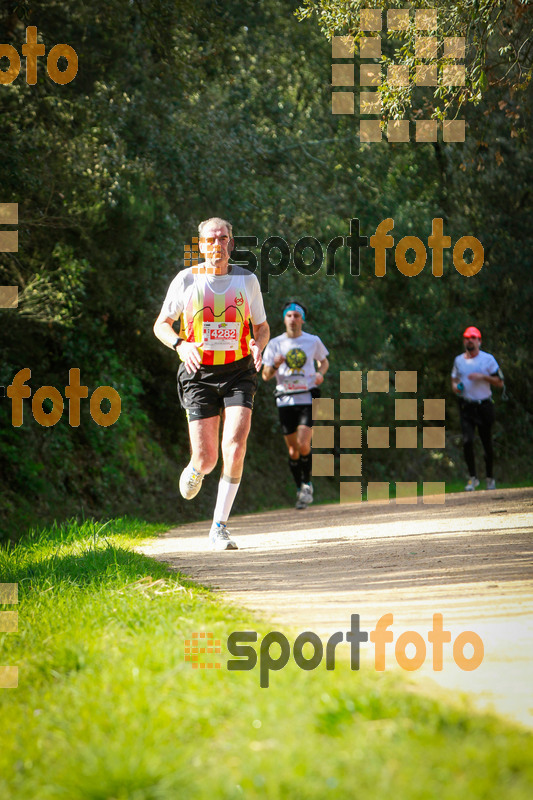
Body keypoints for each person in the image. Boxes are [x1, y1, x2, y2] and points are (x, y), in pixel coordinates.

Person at [153, 217, 270, 550]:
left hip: (238, 371)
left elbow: (262, 327)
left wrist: (258, 344)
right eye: (210, 239)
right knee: (207, 460)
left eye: (223, 238)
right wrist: (180, 343)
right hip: (198, 373)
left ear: (231, 244)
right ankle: (195, 467)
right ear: (200, 245)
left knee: (234, 443)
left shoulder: (247, 281)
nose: (217, 244)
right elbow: (161, 325)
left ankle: (219, 526)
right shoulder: (186, 280)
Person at [262, 301, 329, 509]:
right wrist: (275, 364)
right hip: (285, 400)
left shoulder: (313, 341)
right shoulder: (275, 344)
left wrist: (320, 373)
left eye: (297, 316)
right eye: (289, 315)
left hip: (307, 398)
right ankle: (300, 487)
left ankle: (308, 484)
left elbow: (324, 361)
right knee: (292, 451)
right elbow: (265, 375)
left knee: (303, 444)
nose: (293, 319)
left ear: (303, 319)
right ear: (284, 318)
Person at [451, 325, 504, 491]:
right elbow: (454, 380)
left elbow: (500, 382)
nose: (470, 340)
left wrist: (482, 376)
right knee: (467, 441)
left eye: (473, 337)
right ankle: (473, 478)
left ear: (479, 341)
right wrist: (456, 387)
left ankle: (490, 478)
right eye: (467, 337)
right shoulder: (458, 360)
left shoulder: (488, 359)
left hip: (484, 405)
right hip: (467, 406)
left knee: (486, 442)